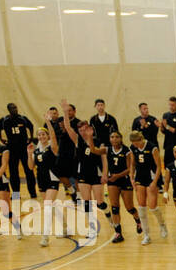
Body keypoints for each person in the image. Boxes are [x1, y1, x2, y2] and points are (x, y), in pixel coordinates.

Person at [69, 103, 106, 244]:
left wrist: (104, 173)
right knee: (86, 203)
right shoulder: (78, 141)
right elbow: (67, 127)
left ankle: (109, 215)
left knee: (100, 203)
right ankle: (91, 229)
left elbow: (103, 158)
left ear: (89, 129)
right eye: (81, 130)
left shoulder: (97, 141)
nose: (83, 132)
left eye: (85, 129)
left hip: (96, 175)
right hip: (83, 175)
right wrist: (66, 113)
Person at [27, 122, 64, 246]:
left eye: (43, 134)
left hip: (52, 179)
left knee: (47, 207)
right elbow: (30, 166)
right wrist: (29, 153)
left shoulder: (52, 147)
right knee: (50, 206)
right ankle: (65, 227)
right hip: (41, 180)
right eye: (39, 135)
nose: (41, 136)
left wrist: (48, 122)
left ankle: (45, 236)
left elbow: (53, 137)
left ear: (47, 136)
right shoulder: (36, 150)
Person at [103, 130, 141, 244]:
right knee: (114, 208)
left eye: (116, 137)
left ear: (121, 138)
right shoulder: (108, 149)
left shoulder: (127, 151)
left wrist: (117, 176)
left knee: (129, 207)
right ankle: (118, 233)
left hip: (124, 180)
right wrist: (89, 138)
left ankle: (138, 221)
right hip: (112, 181)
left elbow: (130, 168)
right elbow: (94, 150)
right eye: (112, 137)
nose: (114, 139)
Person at [130, 129, 165, 244]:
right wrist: (131, 177)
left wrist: (155, 182)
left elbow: (159, 167)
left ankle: (162, 225)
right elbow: (133, 164)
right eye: (133, 143)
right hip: (139, 177)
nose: (135, 145)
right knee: (141, 207)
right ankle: (146, 235)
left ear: (140, 139)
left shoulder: (152, 147)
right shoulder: (133, 148)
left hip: (151, 177)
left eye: (136, 143)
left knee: (153, 206)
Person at [0, 102, 36, 199]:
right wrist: (1, 139)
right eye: (12, 108)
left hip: (23, 147)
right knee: (13, 172)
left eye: (15, 107)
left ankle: (32, 192)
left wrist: (30, 138)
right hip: (12, 148)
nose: (15, 109)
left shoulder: (22, 118)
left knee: (29, 170)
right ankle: (16, 193)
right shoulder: (4, 120)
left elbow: (31, 126)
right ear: (9, 110)